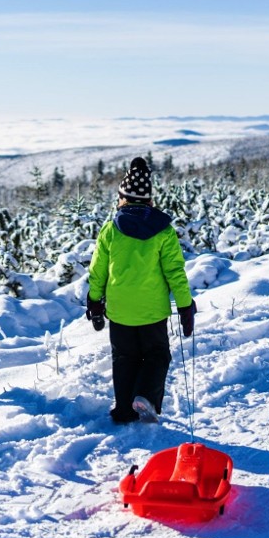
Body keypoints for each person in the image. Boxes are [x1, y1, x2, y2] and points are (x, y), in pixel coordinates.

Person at [87, 157, 196, 424]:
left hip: (120, 311)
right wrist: (184, 306)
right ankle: (145, 396)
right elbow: (174, 272)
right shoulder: (164, 231)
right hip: (152, 311)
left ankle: (124, 410)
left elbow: (98, 270)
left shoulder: (111, 229)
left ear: (122, 197)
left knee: (124, 358)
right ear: (149, 199)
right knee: (157, 355)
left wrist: (94, 303)